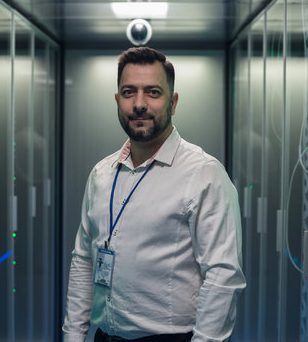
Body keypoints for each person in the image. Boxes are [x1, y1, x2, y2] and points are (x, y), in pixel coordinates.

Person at [63, 46, 246, 342]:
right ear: (116, 100)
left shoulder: (203, 174)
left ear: (173, 102)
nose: (139, 104)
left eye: (153, 92)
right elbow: (84, 260)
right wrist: (73, 336)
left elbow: (223, 276)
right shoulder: (101, 173)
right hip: (104, 336)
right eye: (128, 92)